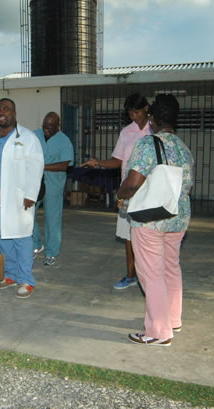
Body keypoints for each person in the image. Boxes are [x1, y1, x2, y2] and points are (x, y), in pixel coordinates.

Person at [117, 94, 194, 346]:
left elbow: (133, 183)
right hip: (178, 218)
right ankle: (173, 319)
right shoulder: (184, 149)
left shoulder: (147, 144)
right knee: (171, 267)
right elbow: (188, 187)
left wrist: (120, 193)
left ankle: (158, 332)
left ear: (152, 118)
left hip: (151, 220)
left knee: (151, 272)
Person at [0, 98, 44, 298]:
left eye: (6, 109)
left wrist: (31, 194)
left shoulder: (28, 138)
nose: (1, 112)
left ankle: (27, 280)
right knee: (3, 237)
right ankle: (10, 275)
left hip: (18, 197)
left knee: (21, 238)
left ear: (14, 113)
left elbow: (36, 167)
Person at [82, 94, 152, 289]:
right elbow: (119, 160)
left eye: (136, 112)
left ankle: (148, 276)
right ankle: (131, 275)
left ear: (146, 108)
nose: (133, 116)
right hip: (129, 189)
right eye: (130, 112)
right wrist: (99, 163)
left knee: (148, 236)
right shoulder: (126, 132)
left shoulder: (155, 129)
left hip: (150, 191)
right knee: (129, 236)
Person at [32, 112, 74, 266]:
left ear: (58, 126)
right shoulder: (35, 135)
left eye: (50, 127)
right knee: (28, 215)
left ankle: (51, 252)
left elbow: (64, 165)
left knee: (52, 219)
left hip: (53, 184)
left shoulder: (64, 142)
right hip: (34, 182)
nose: (46, 130)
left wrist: (42, 166)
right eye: (44, 126)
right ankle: (36, 244)